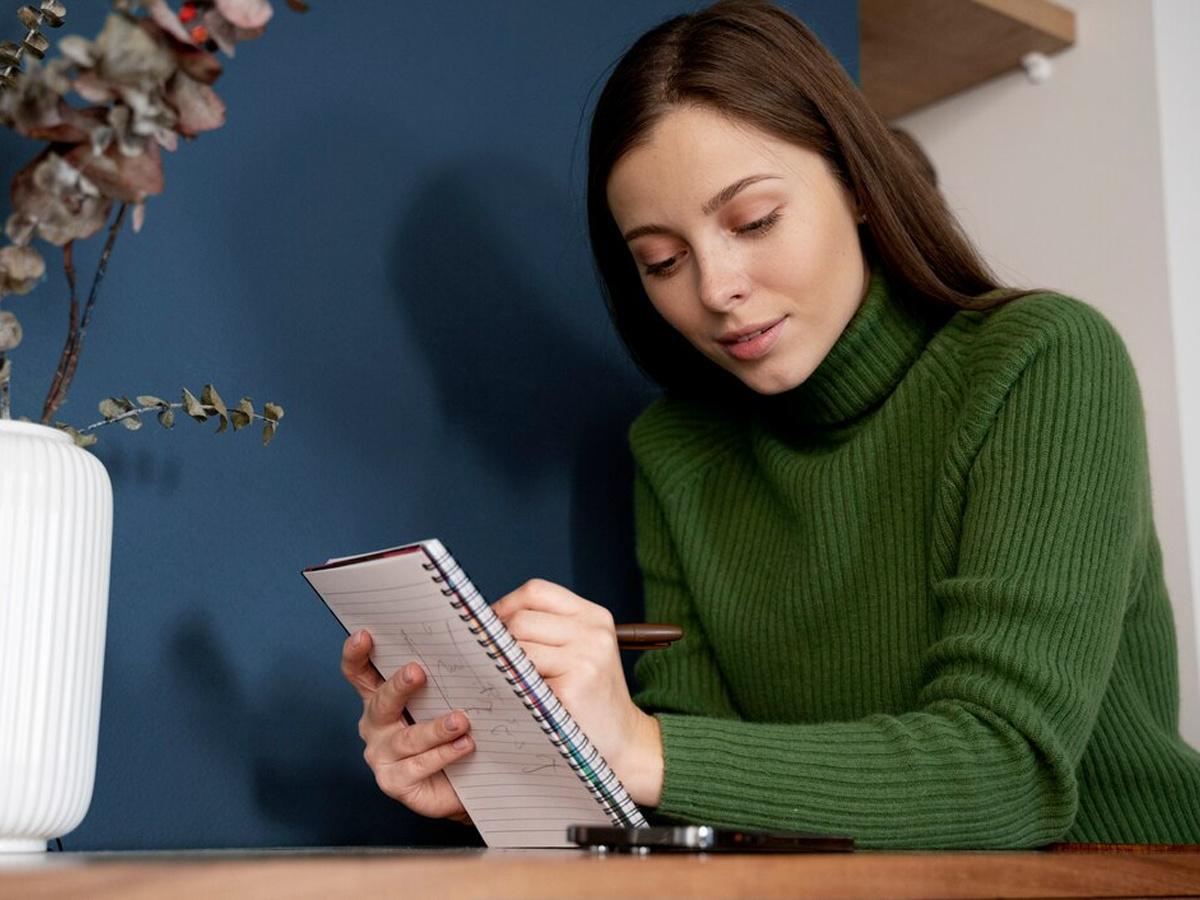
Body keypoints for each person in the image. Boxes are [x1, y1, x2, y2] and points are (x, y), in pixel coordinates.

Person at [340, 0, 1200, 847]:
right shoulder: (678, 450)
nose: (715, 288)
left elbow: (1009, 773)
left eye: (754, 222)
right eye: (662, 260)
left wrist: (639, 743)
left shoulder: (1040, 362)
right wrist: (503, 773)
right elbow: (708, 799)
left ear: (860, 187)